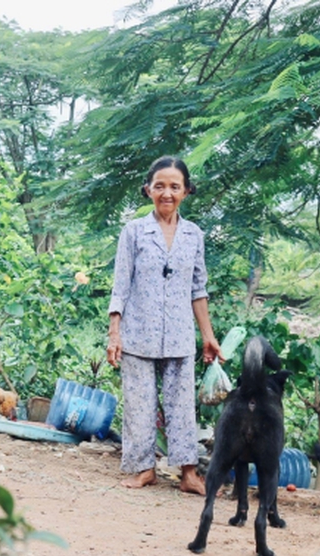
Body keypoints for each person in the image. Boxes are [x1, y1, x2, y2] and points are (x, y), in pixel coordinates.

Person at [106, 156, 223, 495]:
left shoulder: (194, 235)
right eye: (160, 186)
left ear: (186, 191)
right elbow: (121, 286)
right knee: (139, 405)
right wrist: (115, 334)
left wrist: (208, 336)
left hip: (179, 336)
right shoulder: (133, 232)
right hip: (137, 333)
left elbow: (198, 290)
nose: (167, 193)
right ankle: (144, 470)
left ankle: (188, 473)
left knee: (182, 406)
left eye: (175, 186)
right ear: (148, 190)